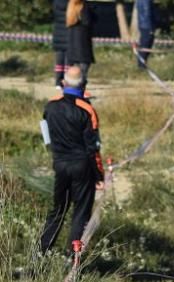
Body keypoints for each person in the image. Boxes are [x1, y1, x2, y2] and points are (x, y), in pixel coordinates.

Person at [39, 65, 105, 255]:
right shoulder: (87, 110)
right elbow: (93, 148)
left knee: (58, 209)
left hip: (60, 163)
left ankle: (41, 251)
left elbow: (46, 136)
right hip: (82, 166)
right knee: (81, 212)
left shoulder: (50, 105)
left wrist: (56, 154)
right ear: (83, 84)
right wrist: (98, 175)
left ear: (63, 83)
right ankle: (73, 256)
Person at [65, 0, 94, 88]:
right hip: (83, 48)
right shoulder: (83, 7)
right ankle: (80, 93)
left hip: (72, 50)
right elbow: (87, 21)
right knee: (82, 75)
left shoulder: (70, 7)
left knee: (72, 77)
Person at [52, 0, 69, 87]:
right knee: (68, 60)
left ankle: (58, 81)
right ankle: (66, 81)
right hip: (68, 33)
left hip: (58, 33)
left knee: (59, 59)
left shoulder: (56, 3)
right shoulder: (70, 3)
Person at [135, 0, 155, 69]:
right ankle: (142, 66)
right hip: (147, 25)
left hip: (142, 25)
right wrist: (151, 28)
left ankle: (141, 65)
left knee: (143, 45)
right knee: (146, 46)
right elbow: (148, 13)